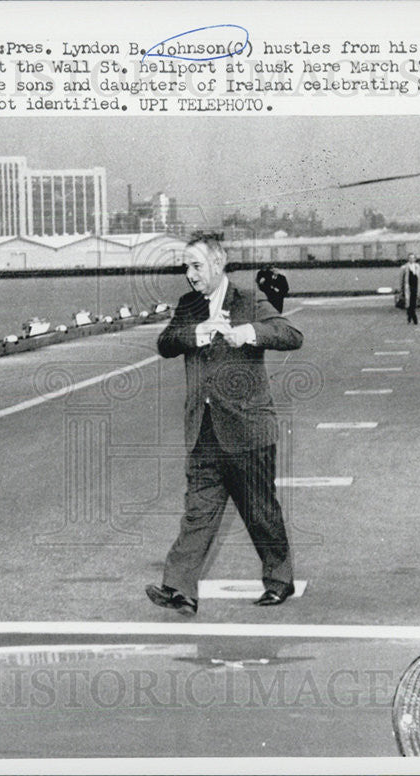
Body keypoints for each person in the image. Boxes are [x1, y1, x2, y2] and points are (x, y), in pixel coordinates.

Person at [146, 233, 303, 615]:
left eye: (196, 266)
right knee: (198, 512)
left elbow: (290, 335)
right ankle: (179, 588)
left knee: (260, 510)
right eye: (186, 267)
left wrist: (250, 332)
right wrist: (197, 332)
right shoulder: (188, 306)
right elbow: (166, 343)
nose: (190, 274)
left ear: (218, 264)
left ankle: (279, 581)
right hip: (204, 429)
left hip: (248, 429)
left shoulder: (249, 301)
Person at [398, 253, 420, 324]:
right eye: (410, 258)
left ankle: (409, 316)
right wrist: (401, 289)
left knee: (413, 303)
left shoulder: (418, 267)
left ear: (415, 259)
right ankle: (414, 318)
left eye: (413, 258)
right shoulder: (404, 267)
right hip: (408, 287)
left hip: (416, 287)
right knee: (410, 303)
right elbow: (401, 279)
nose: (411, 259)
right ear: (408, 259)